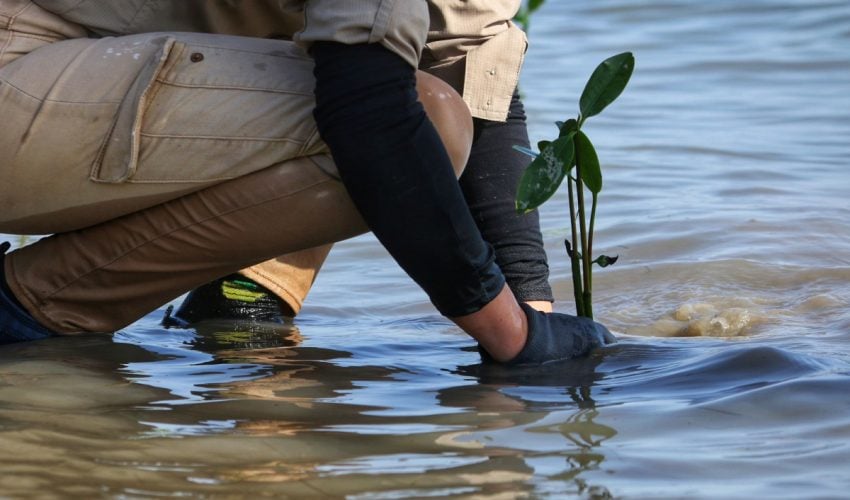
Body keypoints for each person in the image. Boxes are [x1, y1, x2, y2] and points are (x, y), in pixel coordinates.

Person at [0, 0, 614, 365]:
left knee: (379, 71)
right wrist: (510, 334)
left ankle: (238, 309)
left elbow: (473, 71)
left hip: (74, 94)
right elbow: (371, 112)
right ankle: (33, 308)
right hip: (24, 76)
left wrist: (533, 305)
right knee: (417, 113)